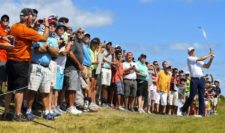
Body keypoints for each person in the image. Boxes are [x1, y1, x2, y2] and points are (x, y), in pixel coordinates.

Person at [4, 8, 49, 121]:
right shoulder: (25, 30)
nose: (33, 18)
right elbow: (43, 38)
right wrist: (47, 26)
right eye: (31, 16)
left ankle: (6, 112)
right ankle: (18, 115)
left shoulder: (14, 26)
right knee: (20, 89)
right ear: (28, 17)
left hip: (11, 61)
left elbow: (25, 35)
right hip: (21, 61)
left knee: (10, 88)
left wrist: (33, 26)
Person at [25, 24, 59, 121]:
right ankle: (28, 111)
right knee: (32, 90)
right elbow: (39, 49)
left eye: (53, 26)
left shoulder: (53, 39)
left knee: (45, 91)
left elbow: (56, 53)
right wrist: (49, 48)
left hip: (47, 67)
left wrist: (47, 47)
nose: (52, 27)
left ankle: (46, 112)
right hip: (37, 65)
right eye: (50, 25)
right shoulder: (38, 35)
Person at [181, 47, 214, 117]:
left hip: (201, 79)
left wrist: (211, 58)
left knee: (201, 96)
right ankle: (184, 109)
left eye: (193, 50)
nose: (193, 51)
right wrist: (209, 54)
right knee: (192, 96)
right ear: (189, 53)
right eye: (191, 51)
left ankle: (201, 114)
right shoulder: (189, 58)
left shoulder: (198, 60)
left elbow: (207, 66)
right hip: (194, 79)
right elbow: (201, 58)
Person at [64, 28, 84, 115]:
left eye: (82, 32)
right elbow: (70, 53)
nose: (81, 33)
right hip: (71, 67)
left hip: (76, 69)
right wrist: (79, 64)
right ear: (76, 33)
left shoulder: (80, 43)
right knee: (71, 88)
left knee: (74, 88)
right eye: (79, 32)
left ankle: (72, 106)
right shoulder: (74, 41)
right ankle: (70, 107)